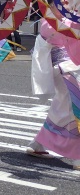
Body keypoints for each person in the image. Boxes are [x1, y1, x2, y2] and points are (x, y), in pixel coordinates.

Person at [27, 17, 80, 169]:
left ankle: (38, 143)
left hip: (66, 64)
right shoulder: (60, 15)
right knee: (74, 106)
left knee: (64, 105)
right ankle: (77, 155)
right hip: (66, 65)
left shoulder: (59, 13)